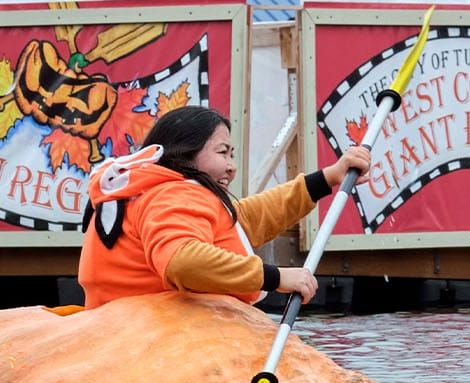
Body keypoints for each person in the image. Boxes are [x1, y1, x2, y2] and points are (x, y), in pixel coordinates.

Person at [76, 106, 371, 309]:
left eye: (232, 154)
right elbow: (182, 262)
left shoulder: (151, 190)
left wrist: (328, 177)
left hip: (120, 325)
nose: (232, 167)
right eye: (222, 153)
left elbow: (248, 218)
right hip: (150, 334)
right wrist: (276, 277)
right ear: (185, 154)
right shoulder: (171, 195)